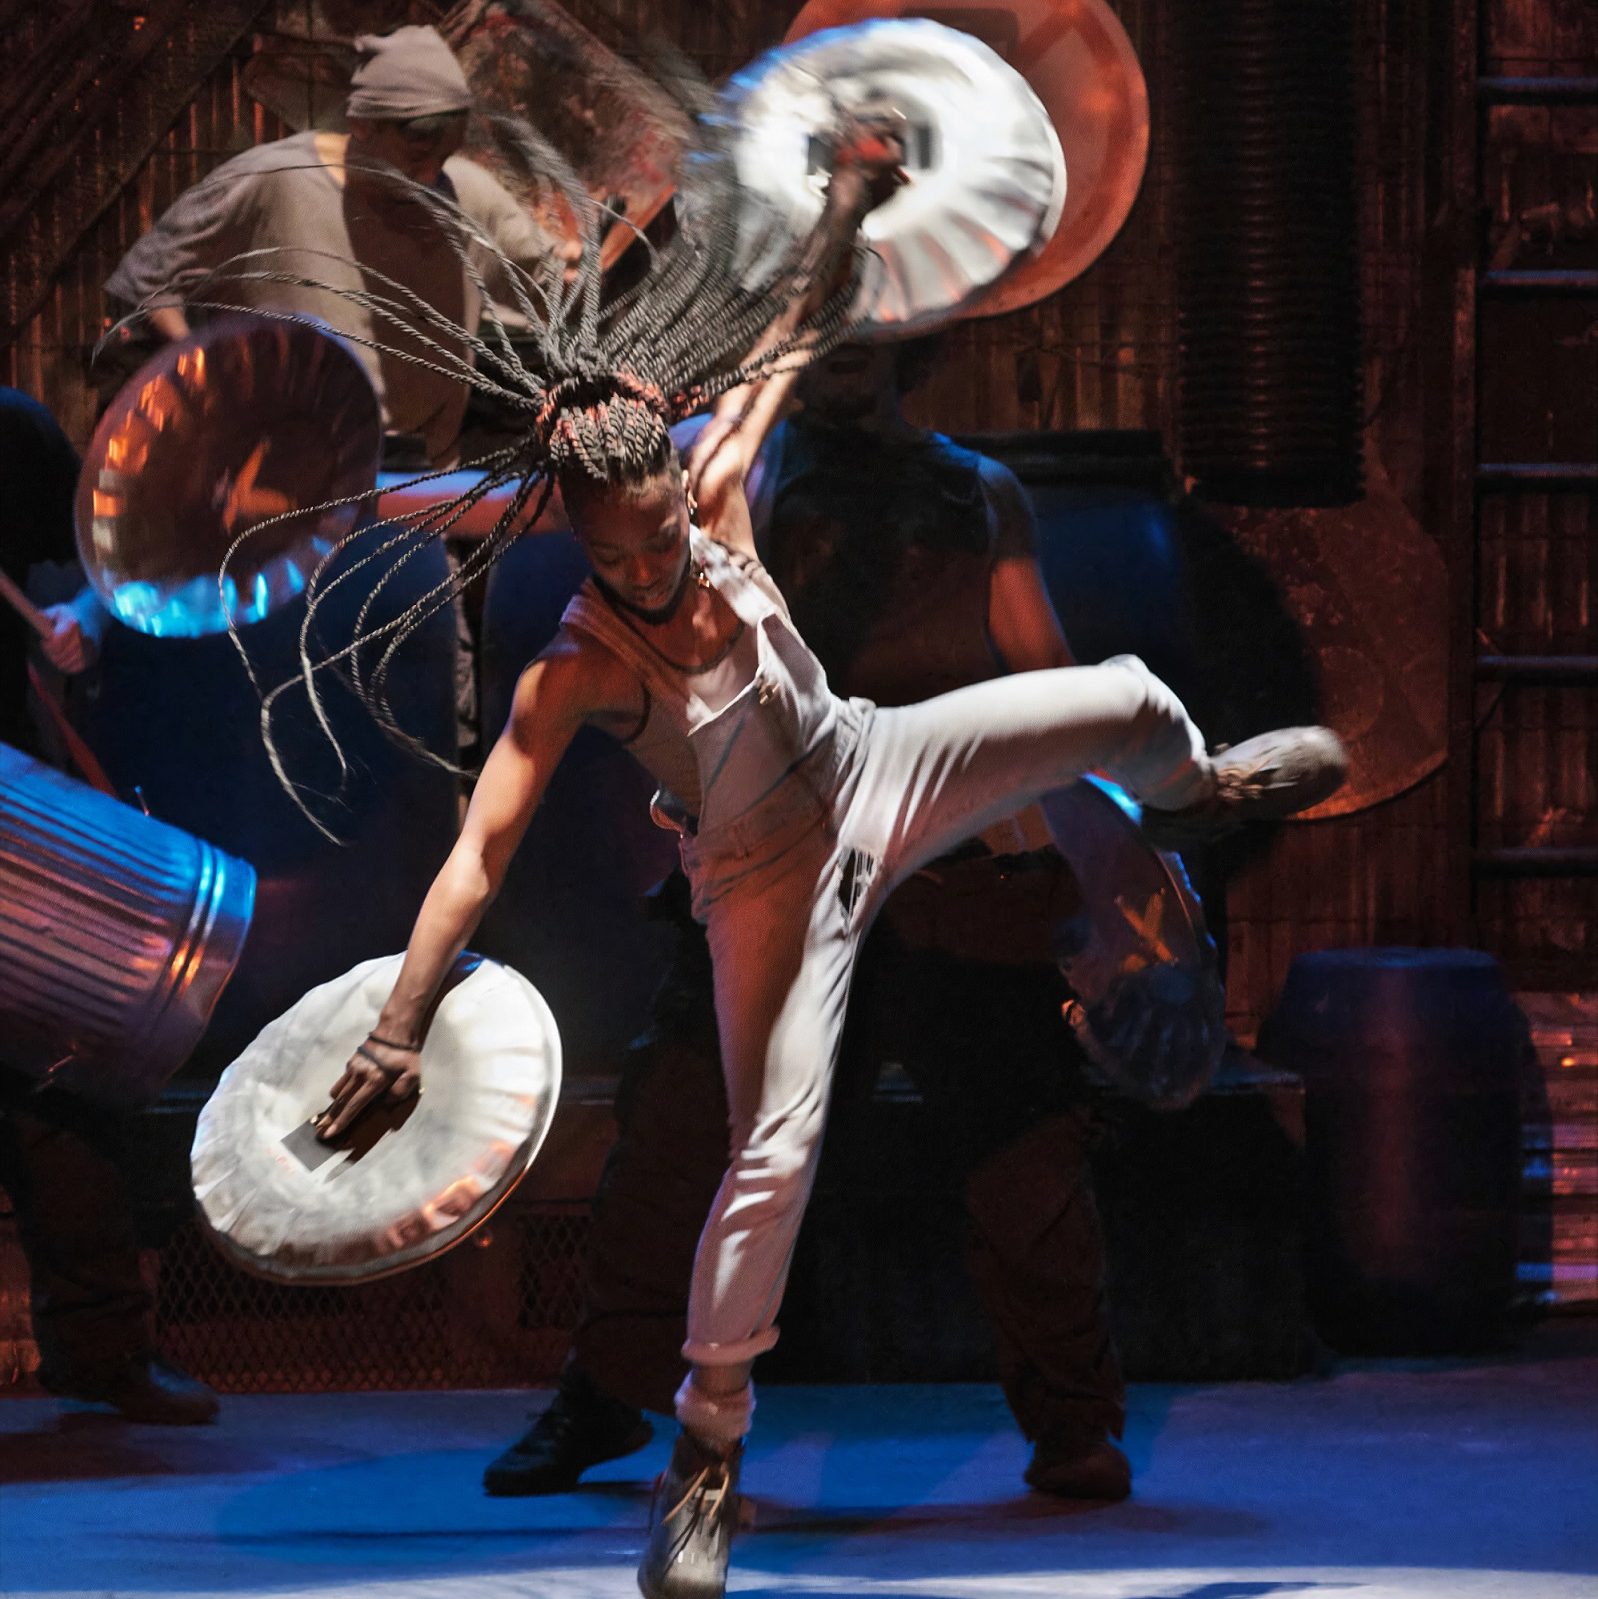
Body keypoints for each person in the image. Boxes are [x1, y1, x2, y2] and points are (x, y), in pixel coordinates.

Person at [274, 113, 1343, 1597]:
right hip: (762, 880)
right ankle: (704, 1454)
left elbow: (785, 329)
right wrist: (400, 1021)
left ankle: (1202, 782)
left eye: (661, 534)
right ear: (577, 534)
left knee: (1129, 701)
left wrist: (846, 196)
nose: (653, 569)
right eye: (620, 552)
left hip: (871, 761)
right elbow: (477, 857)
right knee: (768, 1151)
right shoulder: (575, 665)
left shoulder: (719, 494)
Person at [481, 333, 1138, 1508]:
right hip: (774, 872)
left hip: (948, 867)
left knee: (1026, 1147)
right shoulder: (737, 472)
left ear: (906, 344)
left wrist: (1104, 851)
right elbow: (582, 517)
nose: (850, 358)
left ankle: (1075, 1424)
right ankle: (604, 1393)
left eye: (871, 336)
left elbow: (1043, 668)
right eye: (827, 337)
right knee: (674, 1128)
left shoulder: (976, 492)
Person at [0, 387, 217, 1425]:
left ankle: (99, 1348)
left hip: (19, 821)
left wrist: (83, 619)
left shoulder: (10, 430)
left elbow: (103, 564)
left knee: (62, 1088)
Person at [105, 24, 565, 472]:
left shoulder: (467, 195)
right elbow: (147, 278)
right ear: (361, 124)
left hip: (421, 477)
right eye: (415, 159)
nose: (428, 179)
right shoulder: (274, 183)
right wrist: (208, 372)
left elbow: (550, 283)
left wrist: (572, 281)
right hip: (289, 477)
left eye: (441, 159)